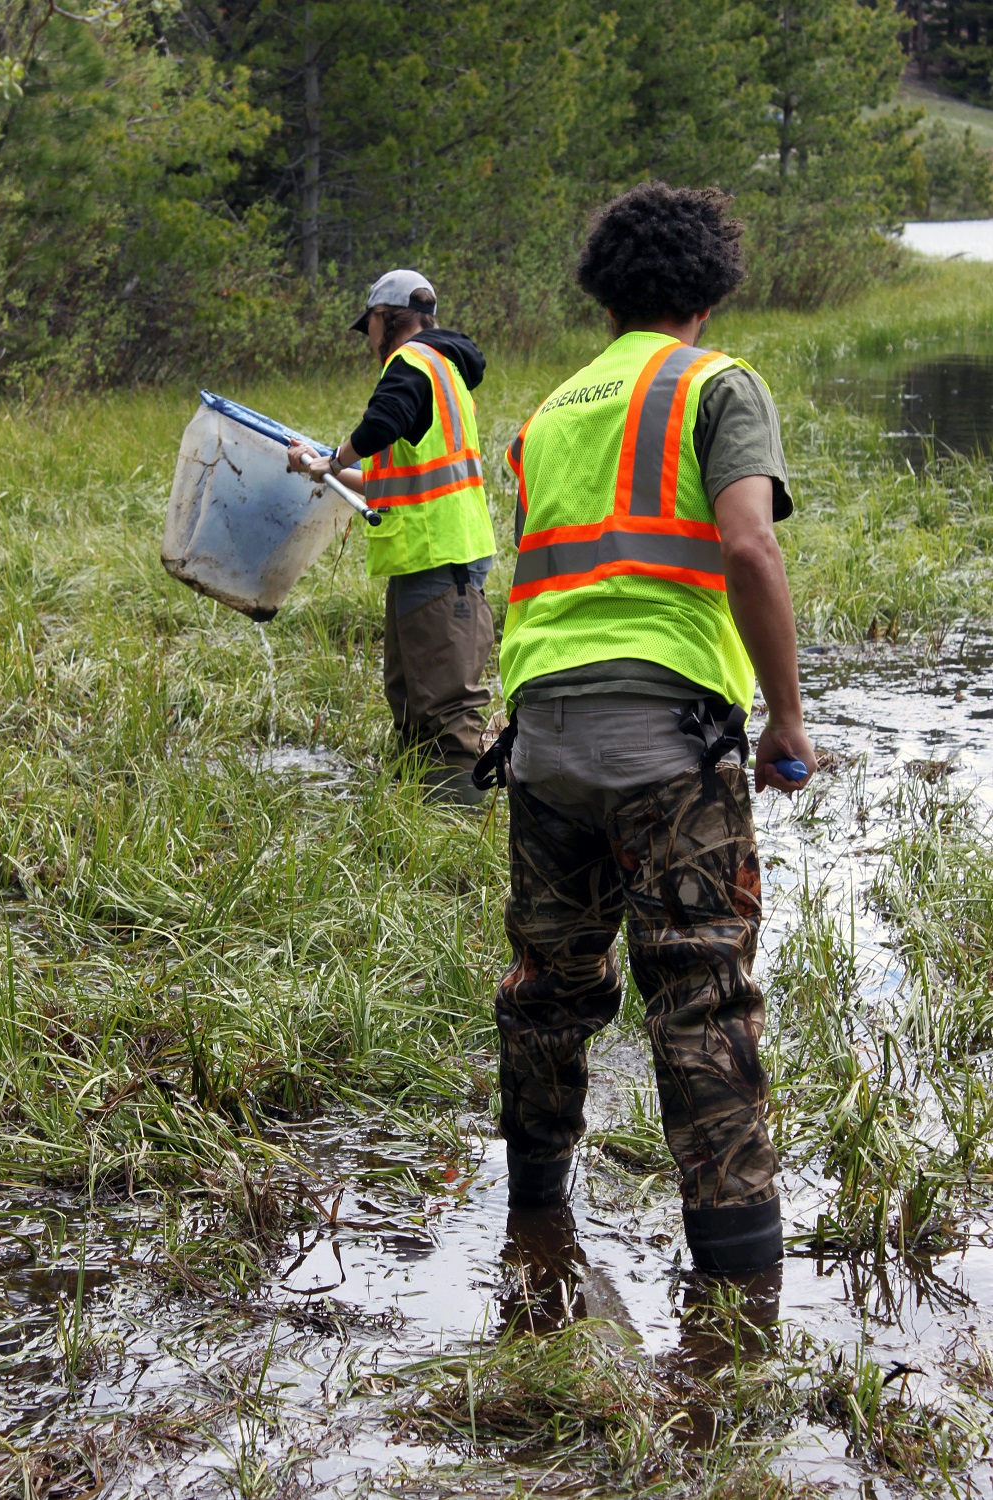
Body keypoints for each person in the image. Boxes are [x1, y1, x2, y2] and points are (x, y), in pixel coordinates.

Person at [482, 182, 817, 1276]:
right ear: (712, 292)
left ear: (602, 292)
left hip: (540, 738)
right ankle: (738, 1279)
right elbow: (749, 548)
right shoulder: (716, 385)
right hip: (666, 739)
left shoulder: (547, 414)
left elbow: (541, 585)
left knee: (549, 986)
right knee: (699, 991)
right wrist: (786, 714)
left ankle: (534, 1219)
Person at [288, 269, 496, 805]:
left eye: (371, 325)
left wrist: (334, 456)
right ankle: (413, 811)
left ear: (388, 319)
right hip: (428, 556)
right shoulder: (443, 370)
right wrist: (322, 469)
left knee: (445, 709)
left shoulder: (412, 362)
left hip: (439, 557)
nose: (369, 339)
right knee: (409, 698)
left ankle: (453, 832)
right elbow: (392, 475)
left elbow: (380, 424)